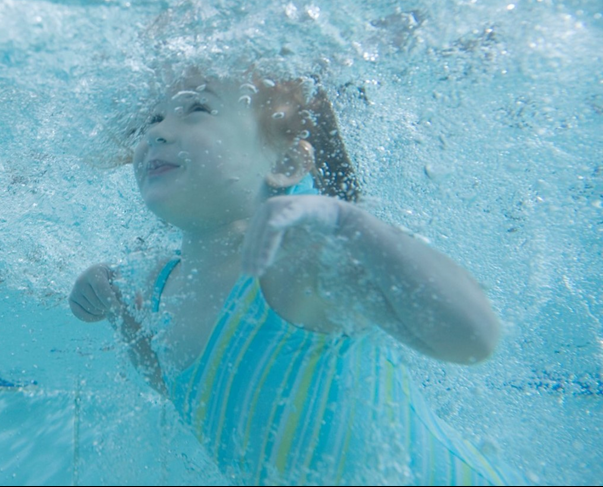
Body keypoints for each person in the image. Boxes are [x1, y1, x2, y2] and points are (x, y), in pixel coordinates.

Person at [69, 65, 514, 485]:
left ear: (284, 164)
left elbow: (475, 339)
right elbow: (185, 390)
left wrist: (349, 224)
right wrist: (119, 308)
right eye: (154, 117)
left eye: (197, 110)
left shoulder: (300, 266)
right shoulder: (162, 286)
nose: (156, 131)